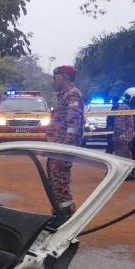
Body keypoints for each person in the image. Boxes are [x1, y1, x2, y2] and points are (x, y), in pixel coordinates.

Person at [46, 65, 85, 220]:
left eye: (55, 78)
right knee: (54, 182)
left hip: (62, 148)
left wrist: (66, 147)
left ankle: (66, 217)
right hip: (56, 147)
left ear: (65, 77)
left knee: (60, 182)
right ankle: (59, 213)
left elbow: (73, 123)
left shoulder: (72, 95)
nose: (53, 81)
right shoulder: (63, 96)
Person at [116, 89, 135, 176]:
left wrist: (131, 133)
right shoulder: (124, 107)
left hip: (126, 136)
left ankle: (125, 174)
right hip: (122, 138)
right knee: (122, 157)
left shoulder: (128, 107)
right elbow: (120, 122)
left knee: (126, 156)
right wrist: (123, 135)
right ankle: (120, 175)